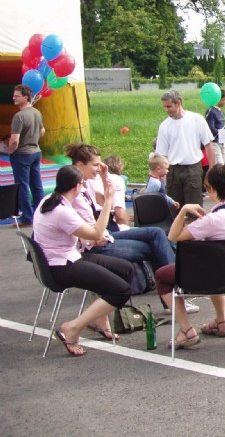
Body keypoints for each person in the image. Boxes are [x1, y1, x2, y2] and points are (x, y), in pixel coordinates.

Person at [32, 165, 133, 356]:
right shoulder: (62, 211)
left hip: (63, 258)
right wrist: (109, 199)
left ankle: (99, 319)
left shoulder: (48, 200)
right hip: (61, 266)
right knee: (121, 291)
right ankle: (73, 327)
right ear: (77, 187)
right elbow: (96, 232)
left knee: (125, 269)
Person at [155, 164, 225, 350]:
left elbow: (173, 236)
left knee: (162, 276)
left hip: (222, 274)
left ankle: (186, 329)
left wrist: (184, 210)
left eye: (207, 187)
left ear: (213, 190)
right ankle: (220, 321)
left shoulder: (212, 220)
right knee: (215, 264)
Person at [65, 143, 176, 273]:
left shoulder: (87, 184)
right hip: (96, 244)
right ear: (80, 165)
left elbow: (109, 203)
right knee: (155, 246)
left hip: (104, 235)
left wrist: (104, 176)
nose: (98, 169)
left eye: (100, 165)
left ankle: (170, 281)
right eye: (95, 165)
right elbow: (97, 231)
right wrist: (108, 200)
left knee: (156, 233)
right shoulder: (75, 193)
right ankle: (173, 280)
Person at [155, 90, 215, 206]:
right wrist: (160, 174)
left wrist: (211, 169)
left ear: (178, 103)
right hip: (172, 170)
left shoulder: (197, 119)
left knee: (195, 208)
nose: (166, 110)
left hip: (193, 169)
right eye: (164, 107)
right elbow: (162, 155)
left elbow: (208, 145)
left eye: (169, 106)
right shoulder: (164, 126)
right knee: (175, 210)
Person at [8, 84, 45, 225]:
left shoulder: (19, 116)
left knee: (22, 186)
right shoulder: (37, 112)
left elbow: (14, 140)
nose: (14, 98)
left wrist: (11, 151)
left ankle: (27, 218)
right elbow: (42, 132)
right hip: (36, 152)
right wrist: (33, 139)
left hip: (22, 154)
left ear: (25, 97)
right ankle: (41, 214)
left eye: (17, 96)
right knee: (37, 185)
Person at [102, 155, 130, 229]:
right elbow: (120, 214)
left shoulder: (99, 179)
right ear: (120, 166)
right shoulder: (117, 180)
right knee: (155, 233)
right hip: (110, 227)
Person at [205, 89, 225, 166]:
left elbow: (221, 127)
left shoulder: (221, 112)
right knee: (220, 165)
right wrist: (224, 133)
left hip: (222, 142)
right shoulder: (211, 111)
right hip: (215, 142)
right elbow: (211, 128)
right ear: (219, 98)